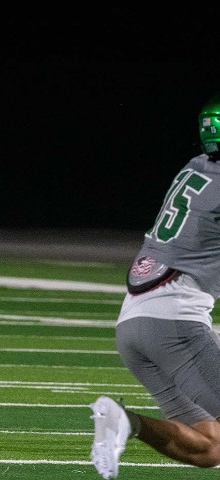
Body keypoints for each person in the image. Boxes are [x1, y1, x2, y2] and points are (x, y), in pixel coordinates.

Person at [89, 92, 220, 479]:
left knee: (210, 447)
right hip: (175, 324)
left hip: (134, 326)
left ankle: (125, 422)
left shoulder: (197, 166)